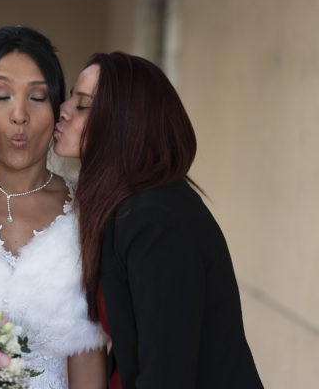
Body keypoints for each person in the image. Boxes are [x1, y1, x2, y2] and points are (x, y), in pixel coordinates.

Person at [53, 51, 264, 389]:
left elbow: (168, 371)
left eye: (83, 104)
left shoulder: (157, 219)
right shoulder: (126, 205)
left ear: (124, 122)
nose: (62, 109)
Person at [0, 26, 107, 389]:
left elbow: (86, 354)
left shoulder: (87, 214)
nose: (19, 115)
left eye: (38, 97)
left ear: (59, 108)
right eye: (1, 95)